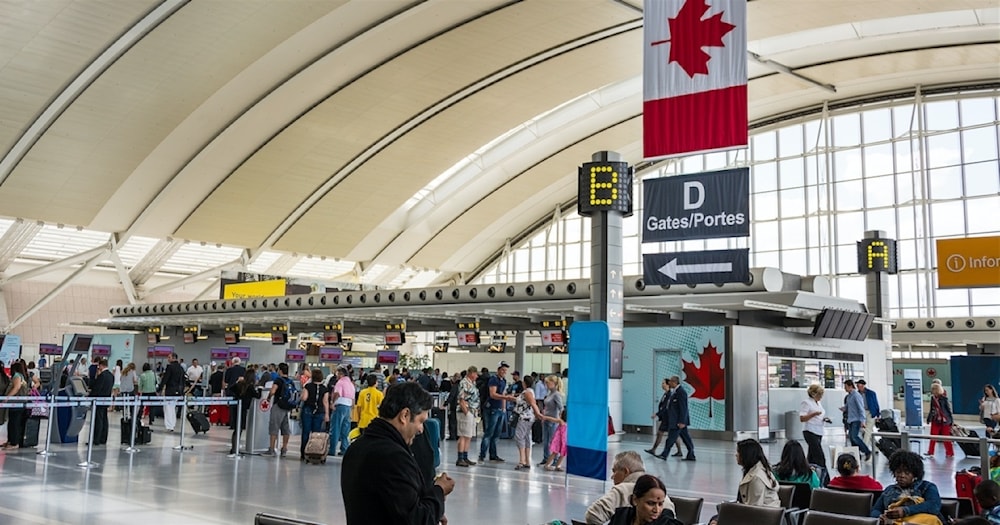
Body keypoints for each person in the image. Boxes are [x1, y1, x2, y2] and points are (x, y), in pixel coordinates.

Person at [341, 382, 455, 525]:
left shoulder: (357, 447)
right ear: (404, 415)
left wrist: (433, 509)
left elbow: (395, 504)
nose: (421, 429)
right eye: (420, 421)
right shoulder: (393, 457)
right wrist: (439, 491)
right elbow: (416, 520)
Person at [585, 451, 671, 524]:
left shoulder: (621, 490)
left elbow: (592, 516)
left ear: (625, 471)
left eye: (614, 471)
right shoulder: (661, 492)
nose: (612, 477)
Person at [870, 450, 944, 524]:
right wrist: (880, 517)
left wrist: (905, 511)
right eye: (898, 472)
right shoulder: (889, 490)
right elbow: (876, 509)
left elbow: (934, 506)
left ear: (914, 474)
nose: (902, 475)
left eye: (907, 472)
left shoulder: (927, 487)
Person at [479, 361, 516, 463]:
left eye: (505, 370)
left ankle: (493, 455)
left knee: (496, 434)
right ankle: (482, 455)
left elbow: (503, 393)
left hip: (499, 409)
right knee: (489, 433)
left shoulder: (503, 381)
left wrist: (503, 408)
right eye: (502, 370)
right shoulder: (493, 380)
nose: (504, 372)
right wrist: (506, 397)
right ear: (498, 370)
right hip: (492, 409)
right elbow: (493, 394)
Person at [606, 474, 681, 525]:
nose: (656, 510)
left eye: (660, 504)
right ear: (635, 500)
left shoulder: (666, 522)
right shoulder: (621, 518)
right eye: (651, 503)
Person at [654, 376, 696, 461]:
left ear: (675, 382)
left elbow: (683, 408)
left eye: (670, 382)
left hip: (678, 422)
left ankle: (664, 454)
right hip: (676, 421)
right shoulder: (675, 392)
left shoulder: (681, 392)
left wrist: (681, 421)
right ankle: (691, 454)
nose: (669, 383)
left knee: (670, 439)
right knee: (686, 439)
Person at [513, 375, 545, 471]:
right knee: (526, 438)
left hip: (524, 418)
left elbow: (532, 403)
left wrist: (538, 413)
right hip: (528, 418)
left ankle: (522, 460)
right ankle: (527, 460)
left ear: (524, 383)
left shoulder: (527, 392)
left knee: (519, 437)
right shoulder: (529, 391)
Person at [736, 438, 780, 507]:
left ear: (746, 455)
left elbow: (754, 508)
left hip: (765, 515)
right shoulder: (754, 470)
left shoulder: (757, 477)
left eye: (738, 452)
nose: (736, 455)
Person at [263, 363, 296, 457]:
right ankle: (284, 448)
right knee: (286, 428)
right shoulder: (290, 381)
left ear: (280, 371)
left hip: (278, 405)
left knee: (274, 427)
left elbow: (273, 391)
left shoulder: (278, 380)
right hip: (287, 406)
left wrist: (268, 398)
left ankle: (271, 449)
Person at [800, 383, 832, 468]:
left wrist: (824, 418)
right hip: (810, 430)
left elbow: (819, 415)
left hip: (818, 431)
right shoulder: (806, 403)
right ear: (814, 394)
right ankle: (824, 474)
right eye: (819, 395)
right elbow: (802, 418)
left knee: (812, 455)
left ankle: (809, 470)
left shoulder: (818, 403)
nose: (821, 397)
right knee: (819, 456)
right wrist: (813, 414)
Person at [229, 369, 260, 454]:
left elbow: (230, 388)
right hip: (243, 409)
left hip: (236, 408)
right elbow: (258, 396)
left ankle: (234, 448)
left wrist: (237, 381)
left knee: (236, 429)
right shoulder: (250, 387)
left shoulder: (240, 384)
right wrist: (260, 389)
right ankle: (235, 449)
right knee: (240, 428)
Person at [841, 379, 872, 461]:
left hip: (856, 419)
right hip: (850, 419)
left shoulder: (856, 395)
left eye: (846, 387)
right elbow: (848, 406)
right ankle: (857, 454)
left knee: (854, 437)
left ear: (850, 386)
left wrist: (863, 420)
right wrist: (844, 409)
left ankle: (867, 451)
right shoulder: (849, 396)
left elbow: (861, 408)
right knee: (852, 438)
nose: (845, 388)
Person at [455, 366, 480, 467]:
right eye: (475, 373)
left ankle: (465, 457)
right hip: (465, 411)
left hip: (473, 412)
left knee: (468, 435)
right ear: (471, 373)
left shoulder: (472, 383)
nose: (477, 376)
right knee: (463, 435)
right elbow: (461, 398)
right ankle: (460, 458)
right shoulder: (464, 383)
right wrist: (466, 411)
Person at [328, 366, 356, 456]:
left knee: (335, 428)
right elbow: (353, 398)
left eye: (337, 373)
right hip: (348, 407)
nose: (336, 375)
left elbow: (337, 393)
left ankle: (332, 449)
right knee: (345, 430)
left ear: (341, 374)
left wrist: (332, 402)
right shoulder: (351, 384)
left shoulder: (340, 382)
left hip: (340, 405)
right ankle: (344, 448)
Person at [539, 374, 565, 465]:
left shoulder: (556, 395)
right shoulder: (549, 393)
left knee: (553, 441)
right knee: (545, 440)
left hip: (553, 421)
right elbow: (547, 406)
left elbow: (561, 408)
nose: (546, 384)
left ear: (553, 383)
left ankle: (555, 459)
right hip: (546, 419)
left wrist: (560, 420)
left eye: (548, 382)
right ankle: (546, 458)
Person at [3, 361, 29, 450]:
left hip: (16, 404)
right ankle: (11, 441)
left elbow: (16, 387)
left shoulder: (17, 376)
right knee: (13, 422)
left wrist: (7, 397)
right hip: (18, 404)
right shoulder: (22, 376)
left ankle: (14, 443)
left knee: (14, 423)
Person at [925, 383, 954, 457]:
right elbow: (931, 409)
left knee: (946, 437)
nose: (933, 391)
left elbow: (948, 410)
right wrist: (929, 418)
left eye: (934, 389)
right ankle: (931, 452)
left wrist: (951, 421)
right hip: (935, 420)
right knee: (933, 436)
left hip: (944, 421)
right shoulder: (933, 398)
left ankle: (950, 453)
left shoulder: (944, 399)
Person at [89, 358, 114, 446]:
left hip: (99, 400)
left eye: (99, 366)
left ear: (101, 365)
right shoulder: (111, 375)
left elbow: (97, 388)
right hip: (106, 400)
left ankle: (96, 439)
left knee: (98, 420)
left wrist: (90, 397)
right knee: (104, 420)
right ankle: (103, 438)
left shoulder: (102, 376)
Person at [159, 353, 186, 432]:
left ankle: (169, 426)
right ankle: (172, 424)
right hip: (178, 391)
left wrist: (160, 388)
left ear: (173, 358)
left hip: (170, 390)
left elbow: (165, 379)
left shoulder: (170, 367)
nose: (168, 358)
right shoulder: (181, 368)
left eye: (169, 357)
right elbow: (183, 380)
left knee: (168, 408)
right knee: (173, 408)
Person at [223, 357, 246, 429]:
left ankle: (233, 424)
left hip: (232, 390)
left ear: (232, 362)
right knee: (242, 408)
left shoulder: (229, 370)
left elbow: (226, 380)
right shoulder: (244, 369)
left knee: (232, 409)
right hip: (241, 391)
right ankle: (242, 425)